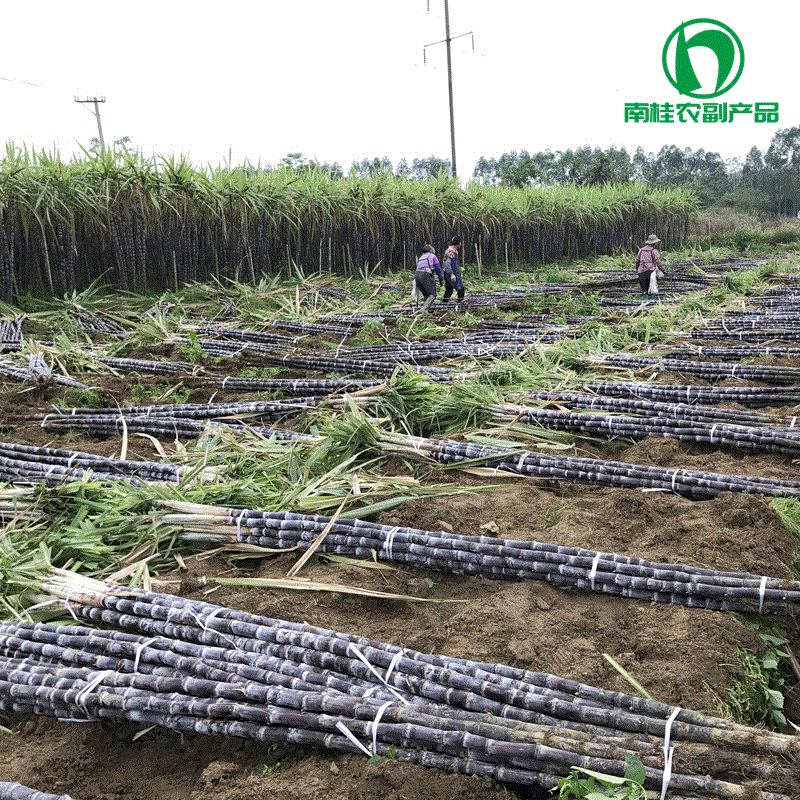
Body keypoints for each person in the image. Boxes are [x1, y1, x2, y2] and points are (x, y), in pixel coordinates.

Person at [635, 234, 666, 300]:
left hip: (641, 271)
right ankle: (652, 303)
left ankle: (644, 302)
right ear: (654, 243)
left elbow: (637, 261)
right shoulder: (654, 251)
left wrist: (637, 269)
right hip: (650, 271)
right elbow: (658, 262)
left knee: (644, 289)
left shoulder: (641, 250)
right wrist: (663, 270)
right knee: (652, 288)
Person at [414, 244, 443, 312]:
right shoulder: (432, 256)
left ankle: (426, 311)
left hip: (417, 276)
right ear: (430, 250)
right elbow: (438, 268)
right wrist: (441, 279)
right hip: (425, 275)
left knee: (426, 295)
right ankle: (423, 310)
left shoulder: (421, 257)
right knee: (432, 294)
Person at [441, 235, 465, 305]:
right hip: (451, 272)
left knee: (449, 290)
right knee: (461, 289)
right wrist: (452, 274)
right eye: (460, 242)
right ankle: (460, 306)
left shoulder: (450, 249)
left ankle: (444, 304)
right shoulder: (452, 250)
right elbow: (448, 263)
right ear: (458, 243)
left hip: (447, 272)